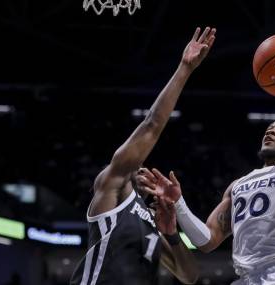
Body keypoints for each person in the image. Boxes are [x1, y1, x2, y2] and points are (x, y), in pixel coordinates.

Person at [137, 58, 275, 285]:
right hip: (246, 277)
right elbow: (207, 241)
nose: (271, 131)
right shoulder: (238, 185)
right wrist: (178, 203)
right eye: (269, 129)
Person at [70, 26, 216, 285]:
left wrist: (171, 233)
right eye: (137, 163)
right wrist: (185, 69)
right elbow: (152, 124)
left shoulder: (150, 224)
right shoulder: (111, 188)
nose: (143, 167)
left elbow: (190, 276)